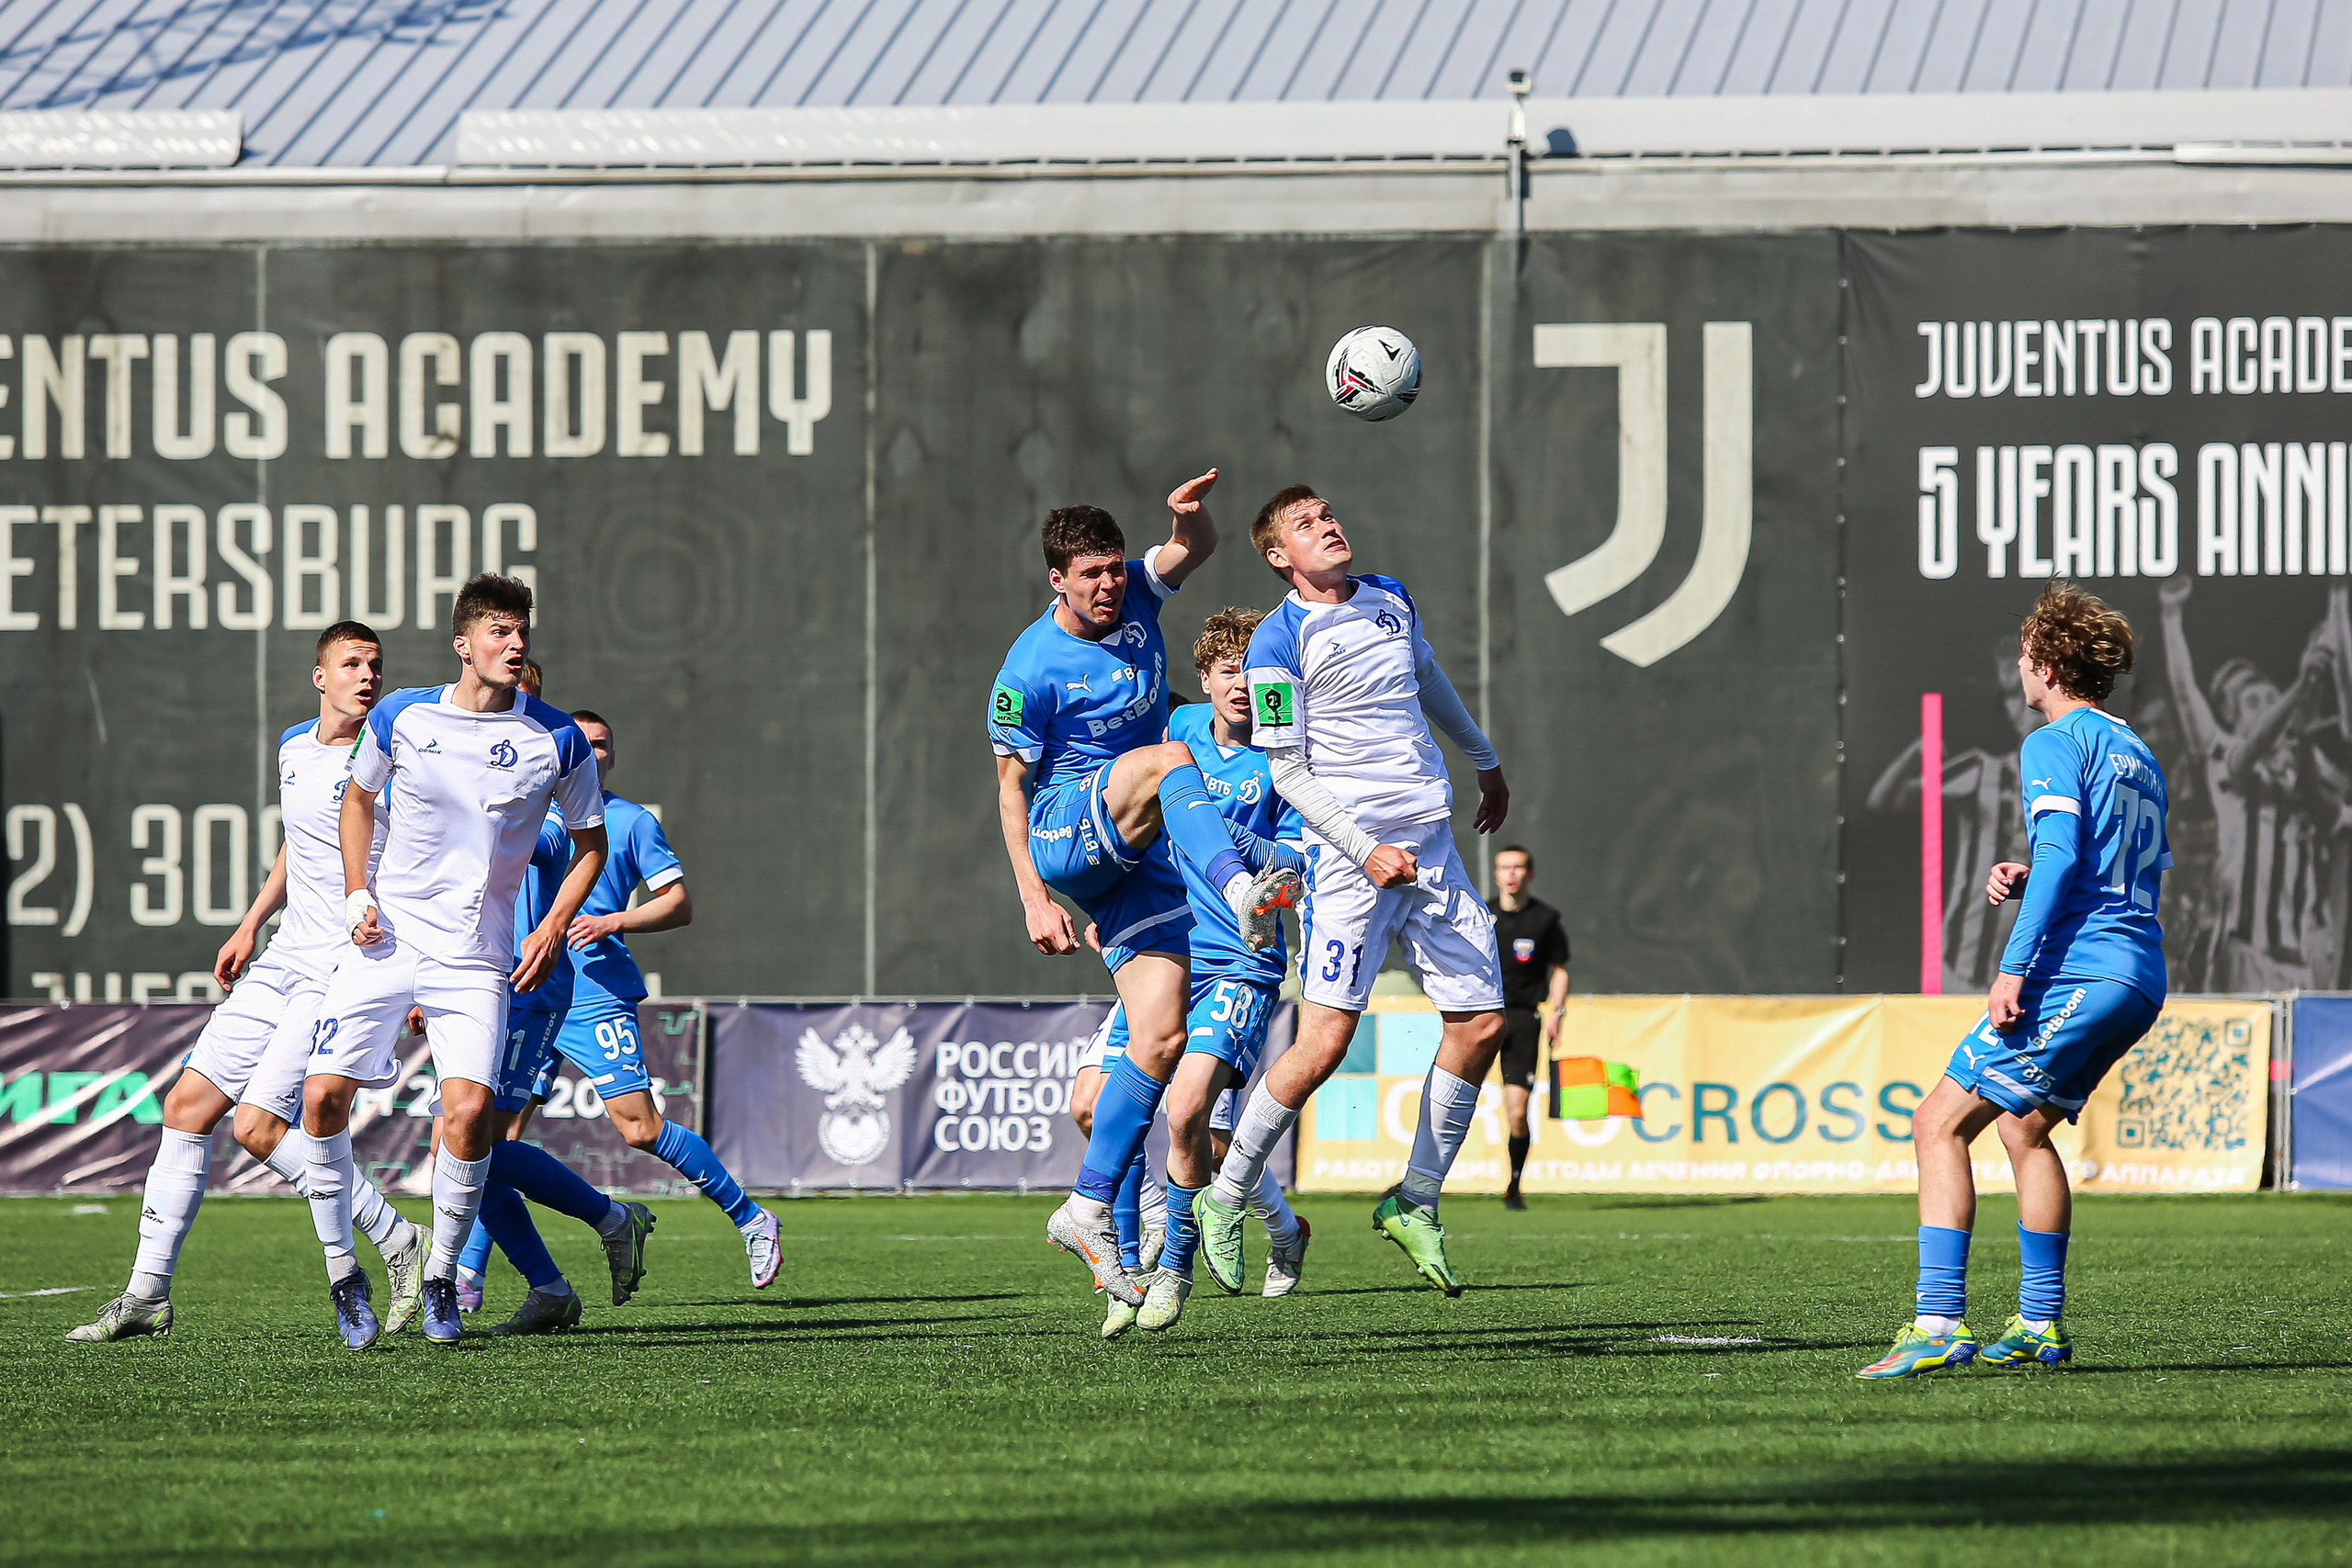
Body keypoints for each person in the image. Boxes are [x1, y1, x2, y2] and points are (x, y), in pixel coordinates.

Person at [986, 475, 1302, 1308]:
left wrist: (1185, 524)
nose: (1106, 585)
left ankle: (1086, 1208)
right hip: (1068, 827)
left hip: (1138, 846)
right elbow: (1011, 791)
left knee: (1158, 1038)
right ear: (1057, 578)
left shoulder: (1136, 595)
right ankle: (1237, 888)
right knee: (1171, 761)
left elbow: (1186, 554)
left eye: (1112, 571)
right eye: (1088, 575)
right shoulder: (1029, 666)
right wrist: (1033, 896)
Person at [67, 625, 424, 1344]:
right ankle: (146, 1296)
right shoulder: (295, 746)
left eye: (375, 666)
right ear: (319, 676)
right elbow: (300, 840)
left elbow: (418, 864)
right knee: (187, 1106)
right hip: (285, 953)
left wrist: (412, 976)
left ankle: (396, 1239)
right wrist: (250, 922)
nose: (366, 676)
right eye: (351, 664)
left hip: (343, 968)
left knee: (256, 1127)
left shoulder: (395, 756)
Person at [1197, 484, 1510, 1298]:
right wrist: (1364, 850)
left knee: (1482, 1024)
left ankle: (1415, 1198)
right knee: (1326, 1042)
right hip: (1348, 864)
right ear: (1278, 556)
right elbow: (1288, 772)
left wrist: (1482, 757)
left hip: (1432, 845)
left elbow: (1430, 676)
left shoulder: (1391, 598)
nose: (1329, 526)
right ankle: (1226, 1195)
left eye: (1329, 515)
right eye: (1306, 525)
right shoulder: (1276, 641)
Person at [1860, 581, 2169, 1379]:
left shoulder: (2053, 742)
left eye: (2028, 653)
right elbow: (2111, 867)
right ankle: (2038, 1323)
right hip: (2135, 971)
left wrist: (2012, 966)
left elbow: (2071, 856)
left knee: (1937, 1123)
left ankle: (1937, 1321)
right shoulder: (2135, 750)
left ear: (2050, 662)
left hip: (2083, 966)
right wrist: (2035, 875)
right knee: (2021, 1127)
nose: (2019, 666)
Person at [301, 573, 608, 1348]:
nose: (516, 643)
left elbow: (590, 843)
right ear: (463, 642)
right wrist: (353, 892)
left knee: (469, 1117)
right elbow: (358, 801)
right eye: (499, 630)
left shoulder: (557, 738)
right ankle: (346, 1273)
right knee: (321, 1102)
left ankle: (440, 1275)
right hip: (386, 941)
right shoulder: (404, 713)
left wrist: (551, 928)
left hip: (476, 957)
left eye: (522, 631)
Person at [461, 709, 775, 1334]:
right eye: (584, 745)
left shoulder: (628, 821)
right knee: (491, 1139)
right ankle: (471, 1275)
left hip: (594, 991)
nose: (593, 754)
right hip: (525, 988)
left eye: (602, 745)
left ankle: (751, 1217)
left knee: (638, 1127)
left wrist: (614, 921)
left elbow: (678, 903)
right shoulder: (523, 816)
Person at [1136, 608, 1313, 1332]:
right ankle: (1286, 1229)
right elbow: (1147, 810)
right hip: (1171, 952)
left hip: (1244, 957)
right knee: (1196, 1134)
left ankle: (1172, 1267)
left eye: (1255, 670)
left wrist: (1219, 829)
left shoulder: (1286, 757)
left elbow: (1303, 860)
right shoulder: (1177, 733)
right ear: (1205, 679)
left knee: (1186, 1115)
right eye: (1228, 668)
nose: (1242, 683)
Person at [1488, 845, 1568, 1210]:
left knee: (1517, 1112)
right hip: (1481, 1016)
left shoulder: (1546, 920)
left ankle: (1515, 1184)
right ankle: (1414, 1183)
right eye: (1505, 867)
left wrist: (1557, 1012)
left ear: (1530, 874)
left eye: (1519, 867)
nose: (1511, 874)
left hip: (1523, 1018)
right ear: (1496, 873)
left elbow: (1559, 968)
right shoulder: (1482, 914)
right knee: (1449, 1102)